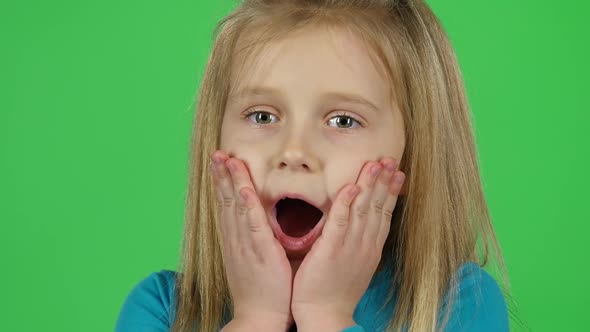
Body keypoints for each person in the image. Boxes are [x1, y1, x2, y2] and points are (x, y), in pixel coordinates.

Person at [115, 0, 512, 331]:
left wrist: (327, 316)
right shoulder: (161, 312)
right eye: (262, 116)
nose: (294, 151)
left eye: (342, 120)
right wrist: (256, 319)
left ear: (412, 157)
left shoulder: (460, 306)